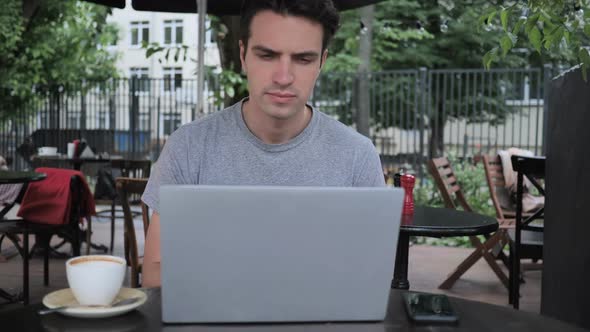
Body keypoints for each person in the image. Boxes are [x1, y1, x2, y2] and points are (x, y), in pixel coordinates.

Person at [141, 0, 385, 287]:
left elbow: (372, 278)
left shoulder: (357, 156)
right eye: (267, 55)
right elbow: (154, 276)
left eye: (303, 59)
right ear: (243, 55)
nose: (283, 77)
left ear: (322, 62)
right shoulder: (189, 146)